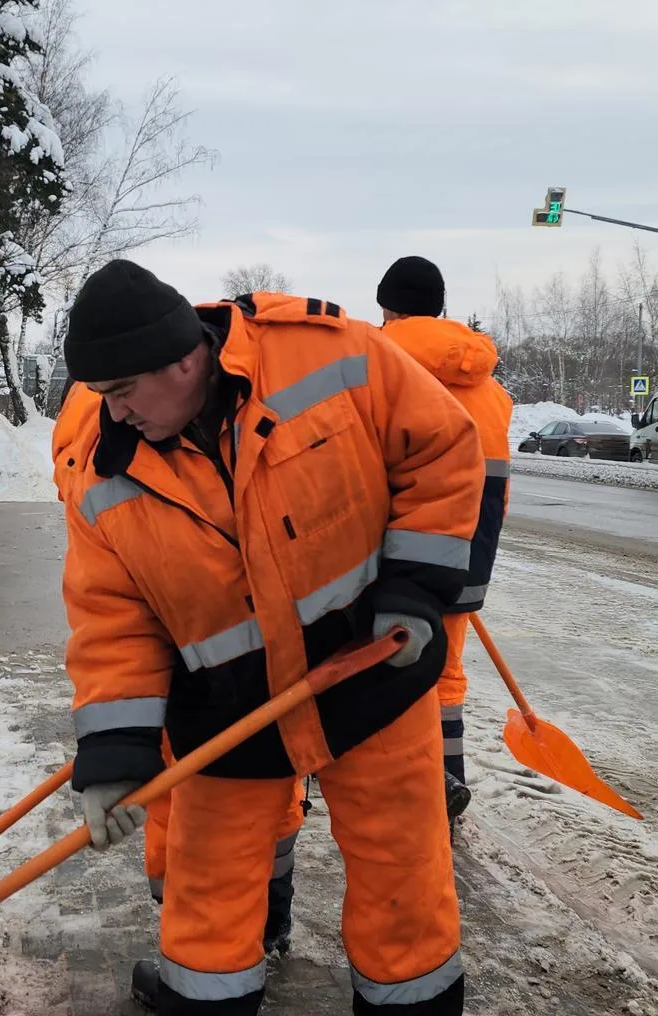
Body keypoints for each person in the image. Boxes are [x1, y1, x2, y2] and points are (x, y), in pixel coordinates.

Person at [58, 260, 483, 1014]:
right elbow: (111, 615)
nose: (114, 414)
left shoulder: (331, 356)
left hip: (370, 674)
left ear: (185, 360)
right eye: (102, 396)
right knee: (209, 903)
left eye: (123, 392)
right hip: (226, 711)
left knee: (403, 881)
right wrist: (116, 754)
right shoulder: (100, 464)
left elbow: (443, 449)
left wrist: (415, 589)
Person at [52, 381, 308, 976]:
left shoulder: (84, 438)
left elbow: (109, 592)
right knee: (267, 781)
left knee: (178, 793)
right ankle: (269, 921)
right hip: (253, 641)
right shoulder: (181, 401)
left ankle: (195, 938)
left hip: (181, 649)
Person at [372, 256, 514, 823]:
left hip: (397, 546)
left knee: (383, 659)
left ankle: (398, 786)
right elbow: (498, 488)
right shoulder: (491, 386)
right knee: (445, 669)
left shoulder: (377, 363)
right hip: (470, 547)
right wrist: (466, 564)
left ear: (387, 305)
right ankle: (444, 784)